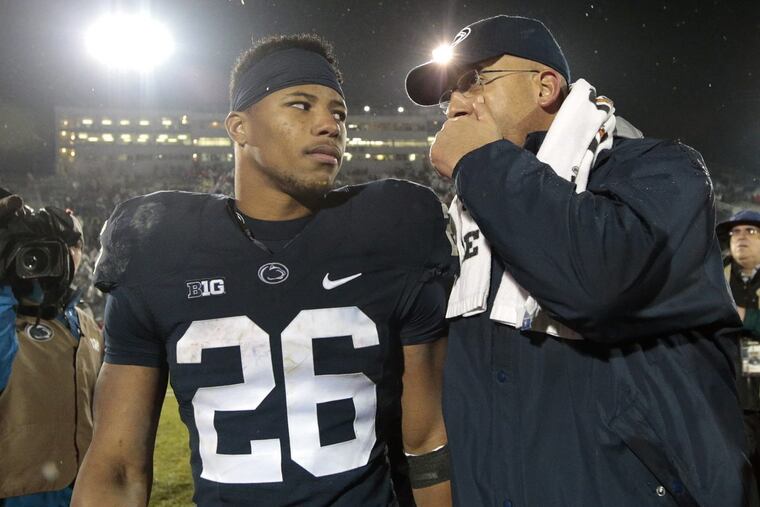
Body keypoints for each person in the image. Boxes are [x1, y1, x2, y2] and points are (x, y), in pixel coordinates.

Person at [72, 34, 454, 507]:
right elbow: (116, 464)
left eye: (338, 113)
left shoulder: (391, 231)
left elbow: (429, 440)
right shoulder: (157, 245)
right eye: (300, 105)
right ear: (239, 128)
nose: (329, 125)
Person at [405, 14, 755, 506]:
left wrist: (479, 162)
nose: (455, 105)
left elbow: (596, 285)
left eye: (474, 81)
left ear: (546, 86)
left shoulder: (661, 170)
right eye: (448, 96)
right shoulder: (470, 214)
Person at [0, 189, 104, 506]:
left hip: (86, 488)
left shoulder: (85, 321)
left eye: (73, 246)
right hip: (19, 492)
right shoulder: (7, 319)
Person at [718, 209, 760, 492]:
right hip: (724, 385)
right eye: (736, 232)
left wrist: (746, 317)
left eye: (751, 231)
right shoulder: (715, 273)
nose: (741, 237)